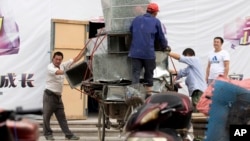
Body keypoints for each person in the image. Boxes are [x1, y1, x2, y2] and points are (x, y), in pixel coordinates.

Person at [128, 2, 168, 98]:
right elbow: (161, 37)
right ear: (155, 13)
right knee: (149, 74)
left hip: (135, 53)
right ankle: (148, 96)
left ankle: (134, 95)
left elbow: (130, 30)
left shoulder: (136, 19)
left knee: (135, 74)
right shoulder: (156, 21)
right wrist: (164, 47)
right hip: (148, 53)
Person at [43, 51, 84, 140]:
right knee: (46, 116)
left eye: (60, 59)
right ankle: (48, 135)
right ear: (53, 59)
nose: (58, 61)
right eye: (56, 59)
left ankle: (68, 135)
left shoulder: (63, 65)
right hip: (49, 95)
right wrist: (70, 71)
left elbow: (75, 59)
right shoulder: (50, 67)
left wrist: (85, 52)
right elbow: (59, 72)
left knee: (62, 117)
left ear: (61, 60)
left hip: (58, 97)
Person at [167, 48, 207, 112]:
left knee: (198, 109)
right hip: (196, 91)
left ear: (189, 55)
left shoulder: (195, 60)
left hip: (199, 90)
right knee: (195, 108)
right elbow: (180, 72)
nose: (185, 58)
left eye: (185, 56)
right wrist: (166, 70)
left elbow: (180, 58)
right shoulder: (190, 68)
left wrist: (168, 53)